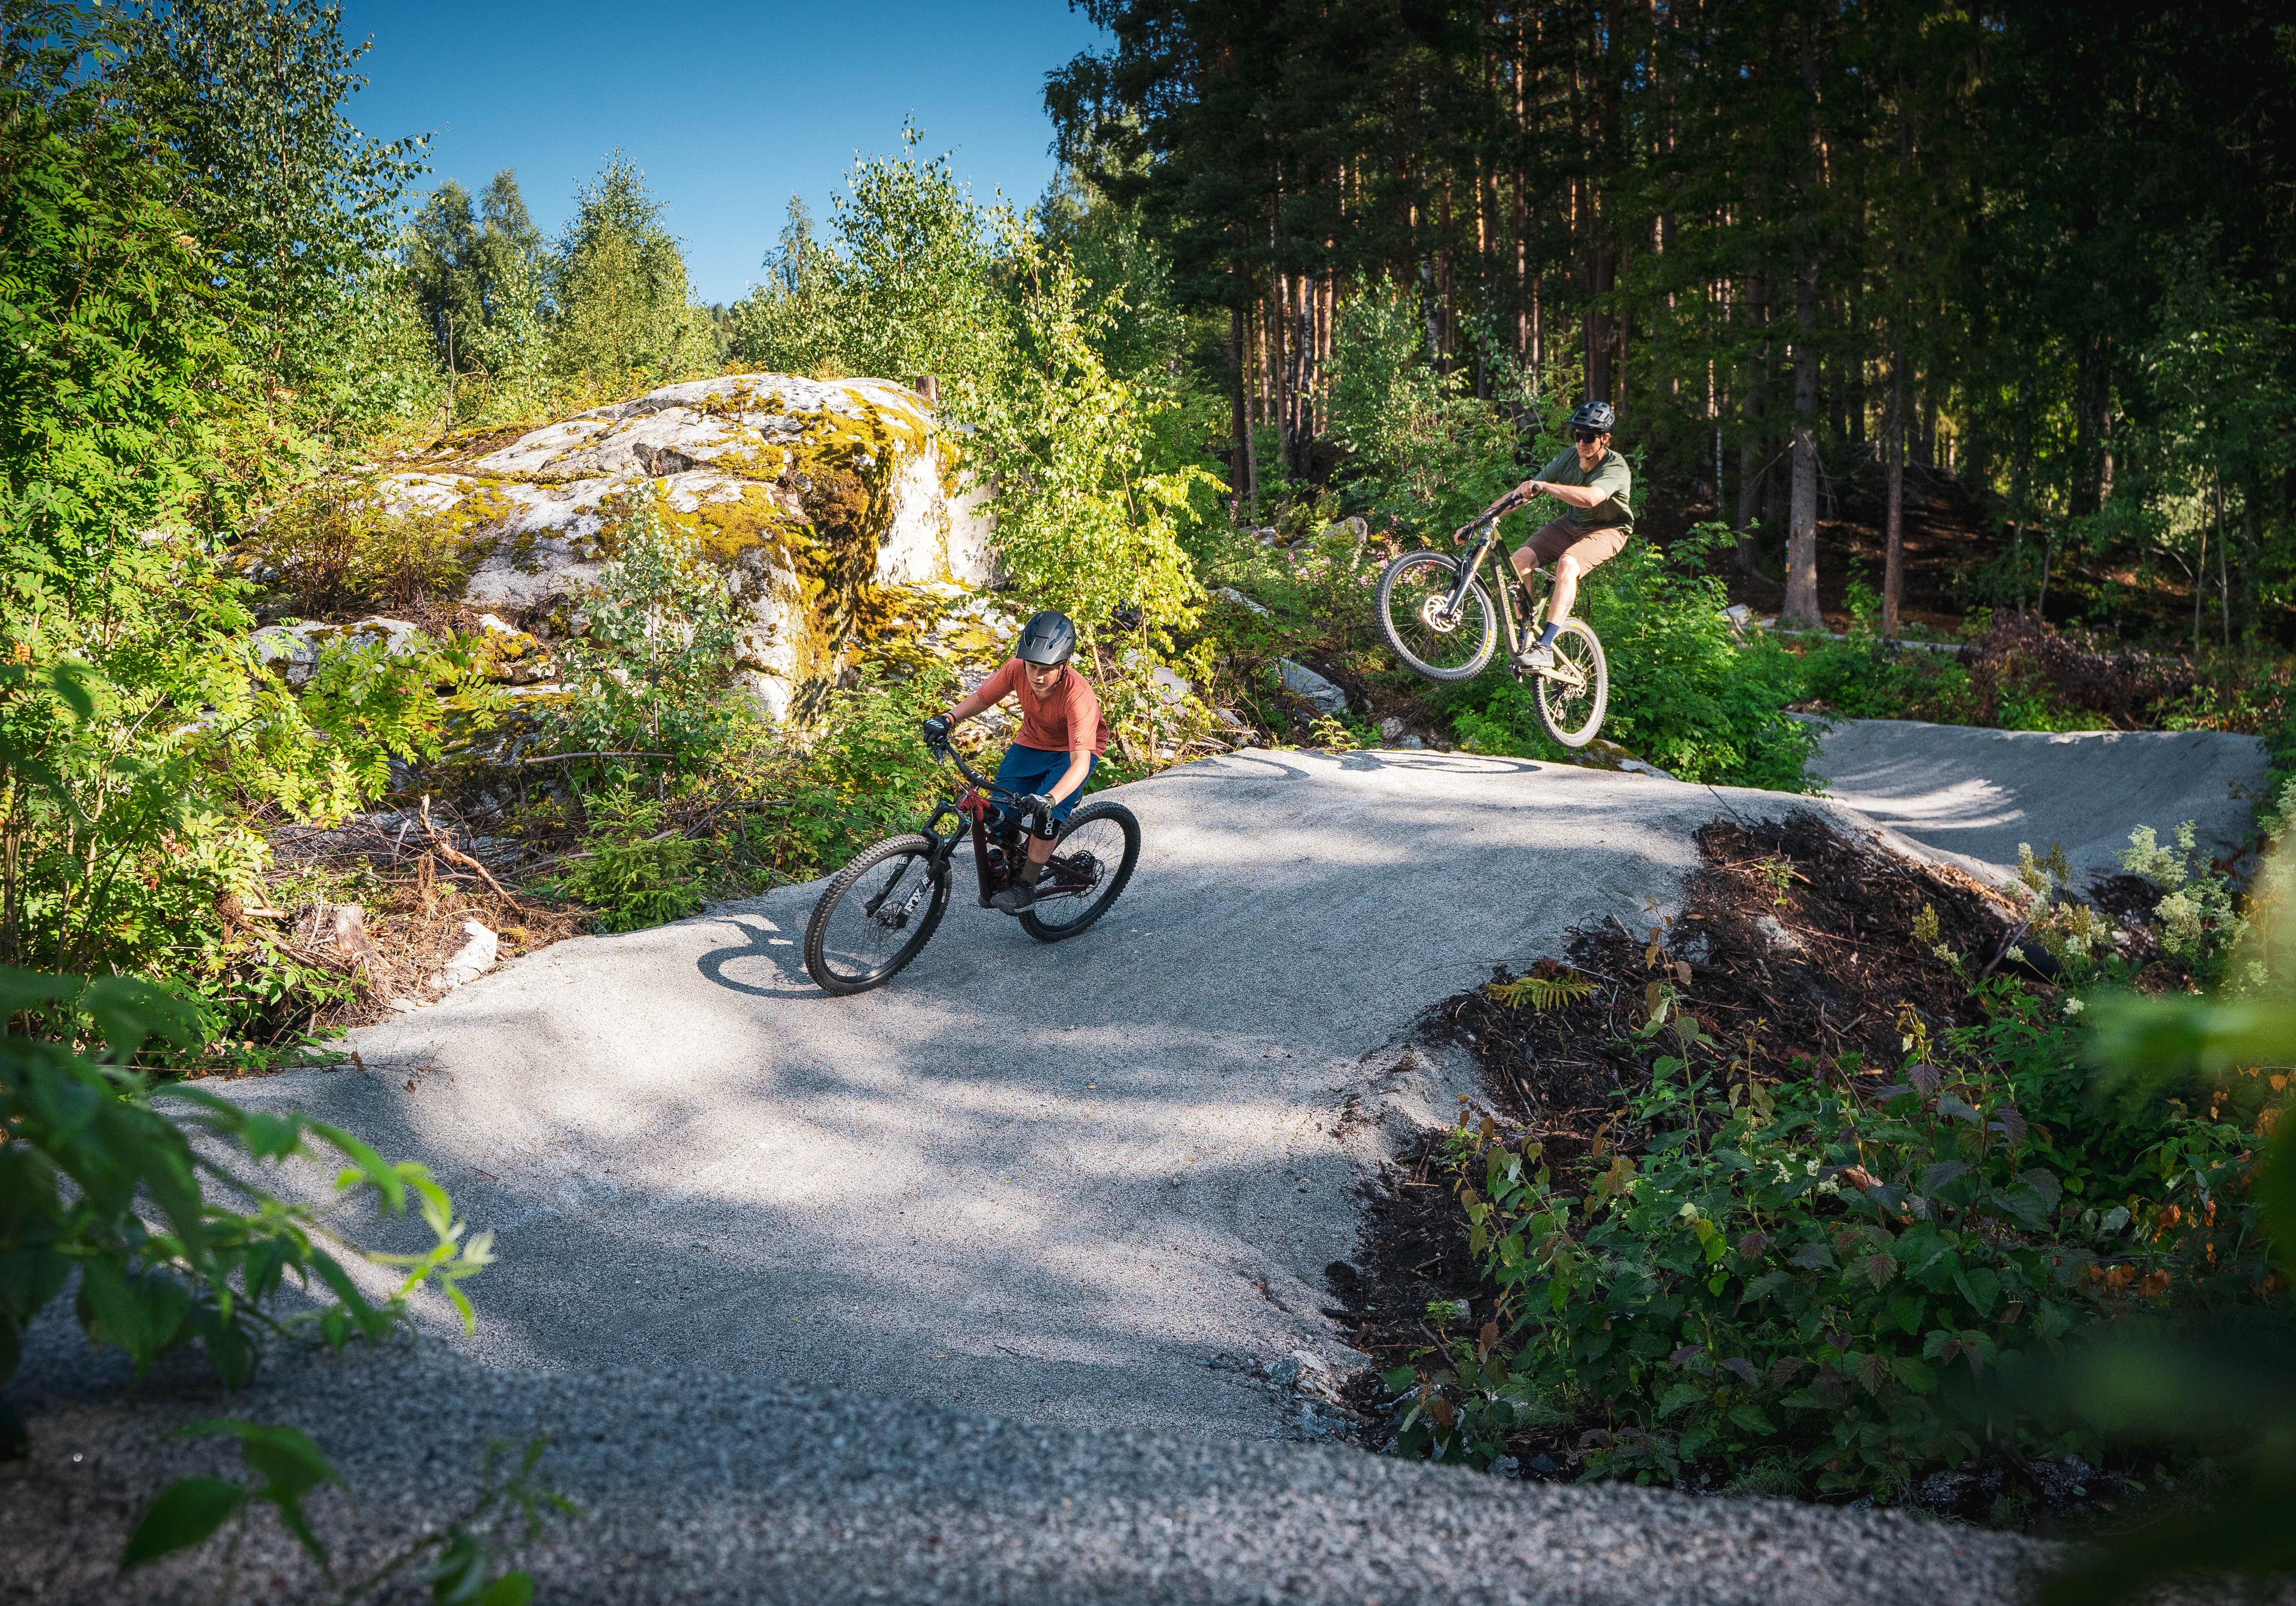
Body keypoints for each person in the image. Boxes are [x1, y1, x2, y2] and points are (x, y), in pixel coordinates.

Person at [921, 609, 1112, 912]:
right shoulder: (1015, 669)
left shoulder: (1078, 697)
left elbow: (1080, 763)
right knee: (1001, 812)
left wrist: (1050, 799)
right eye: (1032, 666)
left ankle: (1026, 885)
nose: (1036, 676)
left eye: (1046, 669)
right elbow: (983, 698)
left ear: (1064, 665)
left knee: (1047, 817)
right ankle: (1013, 856)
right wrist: (948, 718)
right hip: (1031, 743)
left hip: (1073, 753)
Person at [1469, 399, 1632, 669]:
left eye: (1589, 437)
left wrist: (1545, 486)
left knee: (1568, 563)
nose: (1582, 443)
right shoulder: (1570, 457)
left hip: (1609, 530)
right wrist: (1476, 523)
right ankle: (1526, 635)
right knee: (1518, 563)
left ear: (1605, 439)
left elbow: (1591, 499)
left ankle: (1544, 647)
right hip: (1572, 523)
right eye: (1577, 435)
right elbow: (1523, 495)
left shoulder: (1616, 467)